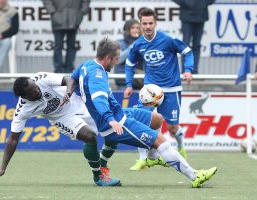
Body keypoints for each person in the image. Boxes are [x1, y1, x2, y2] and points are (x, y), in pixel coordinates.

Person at [71, 37, 217, 188]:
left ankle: (152, 158)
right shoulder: (97, 75)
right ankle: (195, 176)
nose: (116, 62)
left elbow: (73, 78)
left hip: (120, 113)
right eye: (115, 59)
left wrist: (69, 94)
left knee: (157, 119)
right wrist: (110, 119)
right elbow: (98, 98)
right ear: (108, 58)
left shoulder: (86, 65)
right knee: (161, 141)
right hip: (117, 122)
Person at [0, 72, 121, 186]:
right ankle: (98, 177)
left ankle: (102, 163)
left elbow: (68, 79)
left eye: (35, 87)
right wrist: (3, 167)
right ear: (24, 97)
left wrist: (68, 91)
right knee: (90, 136)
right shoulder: (23, 110)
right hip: (61, 118)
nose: (37, 90)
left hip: (76, 102)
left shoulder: (40, 78)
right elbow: (13, 139)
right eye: (32, 92)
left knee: (112, 129)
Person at [124, 7, 193, 171]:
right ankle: (143, 159)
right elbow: (129, 64)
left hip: (171, 88)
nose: (147, 26)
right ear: (140, 24)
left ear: (155, 23)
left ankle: (181, 145)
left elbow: (188, 52)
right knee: (142, 120)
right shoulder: (138, 44)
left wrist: (189, 70)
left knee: (172, 128)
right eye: (144, 23)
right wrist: (128, 85)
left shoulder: (168, 39)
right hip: (150, 89)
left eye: (150, 23)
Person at [42, 0, 90, 73]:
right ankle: (58, 69)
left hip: (74, 19)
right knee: (58, 46)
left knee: (71, 46)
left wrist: (81, 12)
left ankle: (69, 68)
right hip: (58, 20)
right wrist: (52, 12)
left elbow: (86, 2)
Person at [172, 0, 215, 74]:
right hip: (186, 15)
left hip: (201, 15)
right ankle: (185, 71)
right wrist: (185, 3)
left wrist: (203, 3)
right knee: (185, 45)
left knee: (197, 45)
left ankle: (195, 71)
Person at [114, 19, 143, 90]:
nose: (136, 30)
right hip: (123, 81)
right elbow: (119, 59)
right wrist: (134, 45)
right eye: (133, 28)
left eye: (138, 28)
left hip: (140, 81)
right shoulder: (119, 42)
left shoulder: (143, 43)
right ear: (127, 30)